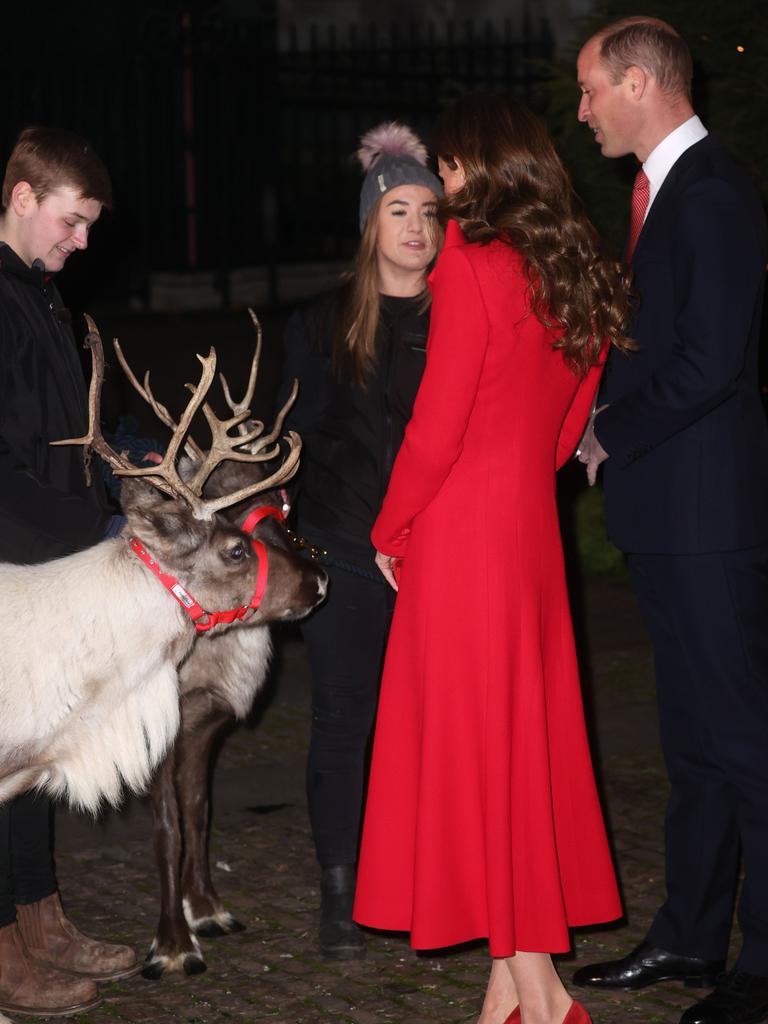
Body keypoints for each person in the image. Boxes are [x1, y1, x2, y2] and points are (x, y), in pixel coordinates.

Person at [352, 92, 633, 1024]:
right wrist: (516, 474)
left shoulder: (472, 269)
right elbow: (564, 429)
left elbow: (435, 429)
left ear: (485, 167)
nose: (440, 179)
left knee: (478, 754)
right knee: (519, 750)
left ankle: (543, 1001)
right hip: (528, 534)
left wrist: (391, 527)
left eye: (451, 164)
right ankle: (510, 999)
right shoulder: (577, 266)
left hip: (462, 534)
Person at [572, 17, 768, 1024]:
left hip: (709, 514)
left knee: (743, 742)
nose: (583, 109)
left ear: (641, 82)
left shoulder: (716, 195)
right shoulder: (657, 195)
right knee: (692, 744)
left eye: (591, 90)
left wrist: (608, 431)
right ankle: (692, 935)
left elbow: (708, 363)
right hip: (669, 515)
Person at [279, 122, 443, 958]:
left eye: (430, 211)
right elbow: (288, 443)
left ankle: (421, 881)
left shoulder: (462, 316)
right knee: (345, 722)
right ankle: (340, 894)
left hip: (438, 559)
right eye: (399, 210)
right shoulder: (321, 324)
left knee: (432, 727)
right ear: (370, 224)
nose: (417, 227)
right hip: (342, 550)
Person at [0, 127, 137, 1018]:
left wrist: (126, 467)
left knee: (37, 751)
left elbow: (66, 433)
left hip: (49, 560)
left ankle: (37, 913)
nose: (80, 241)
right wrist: (90, 522)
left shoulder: (39, 295)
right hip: (15, 564)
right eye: (71, 220)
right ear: (21, 197)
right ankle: (5, 952)